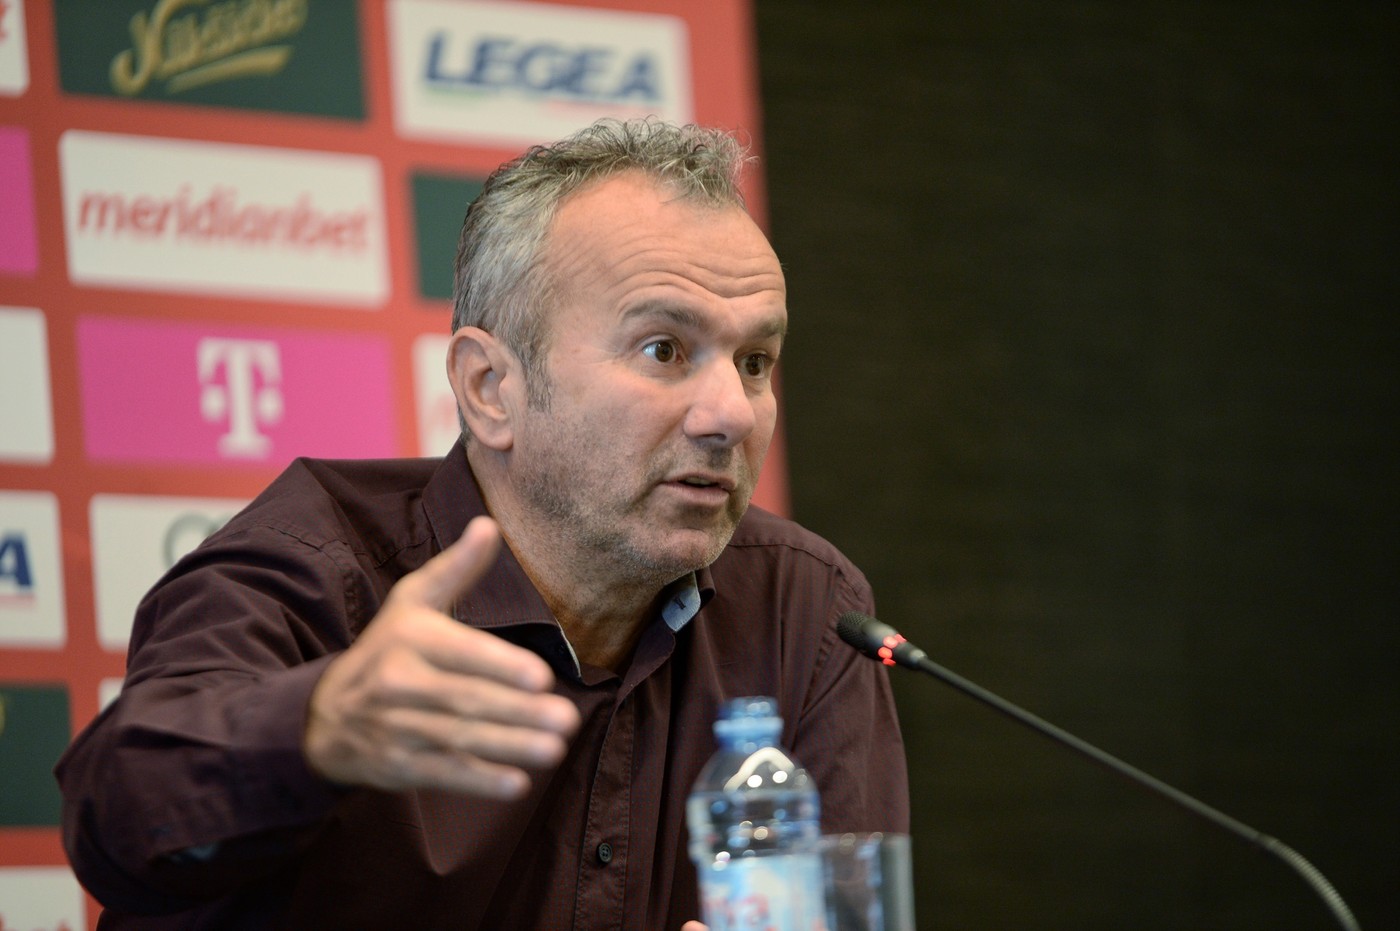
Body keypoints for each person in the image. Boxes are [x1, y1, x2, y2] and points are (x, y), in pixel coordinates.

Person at [57, 118, 909, 930]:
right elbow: (113, 818)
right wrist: (315, 727)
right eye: (664, 350)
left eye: (755, 361)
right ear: (490, 388)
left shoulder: (806, 607)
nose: (731, 411)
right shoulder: (318, 570)